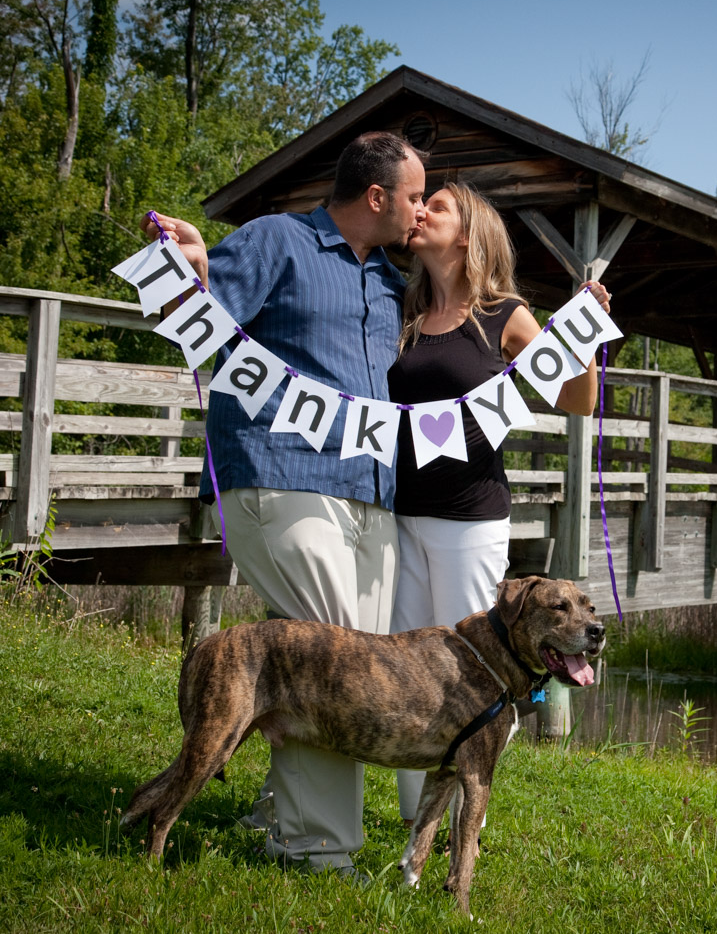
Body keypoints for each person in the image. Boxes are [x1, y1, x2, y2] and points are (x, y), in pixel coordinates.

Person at [141, 130, 426, 877]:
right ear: (376, 196)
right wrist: (195, 266)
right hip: (282, 474)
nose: (420, 209)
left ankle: (280, 806)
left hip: (372, 491)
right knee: (334, 673)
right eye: (415, 195)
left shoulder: (389, 281)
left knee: (351, 671)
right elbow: (192, 315)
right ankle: (317, 849)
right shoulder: (278, 240)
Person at [387, 181, 611, 822]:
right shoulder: (400, 312)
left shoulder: (502, 314)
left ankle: (462, 820)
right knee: (407, 665)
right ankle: (413, 817)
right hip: (397, 512)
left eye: (438, 205)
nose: (422, 209)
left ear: (469, 234)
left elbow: (577, 399)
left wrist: (586, 337)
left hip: (470, 518)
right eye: (421, 200)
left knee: (471, 673)